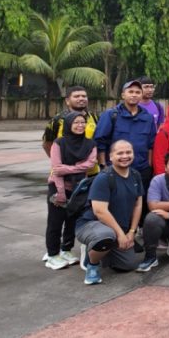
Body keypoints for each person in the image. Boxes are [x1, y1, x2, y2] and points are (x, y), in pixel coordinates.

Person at [76, 140, 144, 285]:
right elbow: (100, 211)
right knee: (106, 236)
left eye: (128, 152)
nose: (125, 156)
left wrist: (131, 232)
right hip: (92, 224)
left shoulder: (135, 175)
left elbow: (138, 204)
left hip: (117, 228)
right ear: (111, 156)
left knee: (128, 264)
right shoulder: (104, 178)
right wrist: (120, 234)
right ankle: (92, 264)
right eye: (120, 153)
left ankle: (100, 249)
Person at [93, 79, 157, 222]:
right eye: (130, 92)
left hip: (141, 169)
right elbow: (100, 142)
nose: (134, 95)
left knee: (140, 203)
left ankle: (137, 230)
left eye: (137, 92)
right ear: (123, 95)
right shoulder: (111, 115)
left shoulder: (147, 117)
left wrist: (149, 166)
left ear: (141, 95)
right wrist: (103, 165)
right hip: (116, 170)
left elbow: (151, 144)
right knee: (117, 205)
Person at [43, 112, 97, 270]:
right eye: (76, 123)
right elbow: (56, 170)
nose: (80, 125)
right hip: (58, 186)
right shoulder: (59, 143)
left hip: (78, 188)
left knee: (72, 221)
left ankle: (66, 249)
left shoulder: (90, 144)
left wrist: (68, 169)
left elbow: (90, 164)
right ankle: (52, 255)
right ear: (68, 125)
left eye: (83, 122)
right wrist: (60, 193)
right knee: (55, 222)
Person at [42, 85, 97, 158]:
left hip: (91, 164)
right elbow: (47, 143)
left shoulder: (95, 117)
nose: (81, 98)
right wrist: (58, 160)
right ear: (67, 101)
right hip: (65, 164)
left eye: (84, 96)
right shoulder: (57, 120)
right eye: (76, 96)